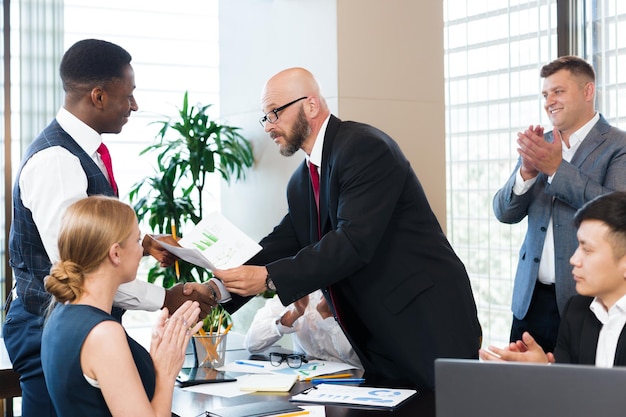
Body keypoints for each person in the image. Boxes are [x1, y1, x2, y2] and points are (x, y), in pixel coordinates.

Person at [198, 67, 481, 390]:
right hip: (374, 334)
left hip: (427, 321)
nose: (269, 126)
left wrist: (268, 277)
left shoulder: (364, 148)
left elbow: (352, 242)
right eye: (265, 117)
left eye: (274, 112)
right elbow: (279, 244)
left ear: (311, 105)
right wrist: (213, 291)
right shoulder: (302, 181)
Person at [5, 39, 214, 417]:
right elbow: (85, 265)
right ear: (98, 96)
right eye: (128, 95)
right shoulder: (57, 161)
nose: (134, 105)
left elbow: (92, 236)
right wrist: (165, 298)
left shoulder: (80, 152)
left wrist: (145, 243)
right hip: (45, 324)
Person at [493, 56, 626, 353]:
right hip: (530, 300)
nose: (549, 101)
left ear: (588, 92)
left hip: (585, 301)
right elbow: (504, 213)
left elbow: (618, 216)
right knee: (521, 391)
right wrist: (526, 174)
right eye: (545, 94)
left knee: (571, 392)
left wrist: (556, 170)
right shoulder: (541, 144)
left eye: (558, 91)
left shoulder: (619, 145)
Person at [40, 196, 203, 416]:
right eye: (137, 241)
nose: (141, 251)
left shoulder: (60, 314)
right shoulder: (104, 334)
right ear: (116, 253)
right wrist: (166, 372)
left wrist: (157, 357)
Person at [480, 191, 626, 367]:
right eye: (578, 245)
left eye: (587, 250)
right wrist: (544, 369)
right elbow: (571, 385)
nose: (574, 259)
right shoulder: (576, 311)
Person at [244, 290, 362, 368]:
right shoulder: (295, 291)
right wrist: (291, 317)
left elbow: (354, 359)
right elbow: (252, 344)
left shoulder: (348, 292)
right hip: (307, 378)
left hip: (354, 381)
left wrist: (327, 317)